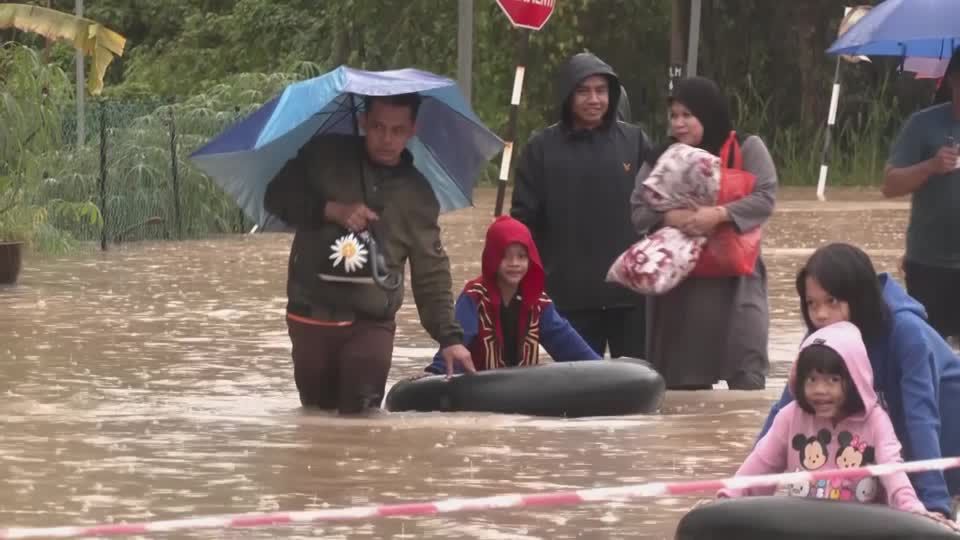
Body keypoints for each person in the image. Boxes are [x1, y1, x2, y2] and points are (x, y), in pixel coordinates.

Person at [263, 92, 473, 414]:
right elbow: (276, 196)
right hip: (309, 315)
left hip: (371, 322)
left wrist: (449, 337)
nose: (386, 139)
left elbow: (431, 271)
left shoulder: (417, 195)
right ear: (362, 122)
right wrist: (331, 209)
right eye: (377, 127)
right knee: (315, 419)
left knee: (362, 421)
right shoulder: (324, 156)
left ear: (412, 130)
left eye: (397, 130)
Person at [758, 243, 960, 518]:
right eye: (811, 303)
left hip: (946, 441)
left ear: (859, 296)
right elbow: (785, 411)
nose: (820, 315)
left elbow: (921, 418)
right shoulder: (822, 337)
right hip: (899, 450)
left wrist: (936, 505)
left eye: (832, 301)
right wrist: (739, 490)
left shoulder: (906, 333)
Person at [720, 322, 957, 531]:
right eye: (811, 380)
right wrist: (726, 499)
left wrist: (914, 510)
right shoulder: (789, 417)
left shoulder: (875, 421)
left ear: (854, 380)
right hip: (802, 529)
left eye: (833, 380)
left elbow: (893, 472)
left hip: (860, 530)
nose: (820, 390)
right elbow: (758, 468)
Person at [630, 76, 776, 390]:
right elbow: (638, 211)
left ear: (708, 114)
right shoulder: (659, 159)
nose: (679, 124)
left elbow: (765, 198)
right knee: (684, 389)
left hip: (738, 280)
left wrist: (719, 215)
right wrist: (671, 216)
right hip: (682, 290)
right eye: (674, 116)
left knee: (747, 377)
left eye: (687, 115)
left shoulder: (747, 149)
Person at [510, 52, 650, 359]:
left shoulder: (634, 141)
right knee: (583, 396)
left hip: (631, 298)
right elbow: (523, 223)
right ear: (567, 95)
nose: (594, 99)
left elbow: (662, 201)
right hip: (569, 299)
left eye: (601, 91)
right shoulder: (541, 149)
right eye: (583, 91)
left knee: (640, 389)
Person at [424, 216, 600, 375]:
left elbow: (568, 345)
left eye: (522, 256)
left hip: (519, 390)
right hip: (477, 388)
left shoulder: (539, 302)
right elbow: (457, 342)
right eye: (505, 257)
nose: (515, 264)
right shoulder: (474, 296)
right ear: (493, 258)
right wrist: (435, 372)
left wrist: (602, 369)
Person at [882, 49, 960, 342]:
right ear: (953, 80)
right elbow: (890, 185)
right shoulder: (923, 125)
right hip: (929, 264)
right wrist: (932, 165)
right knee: (929, 351)